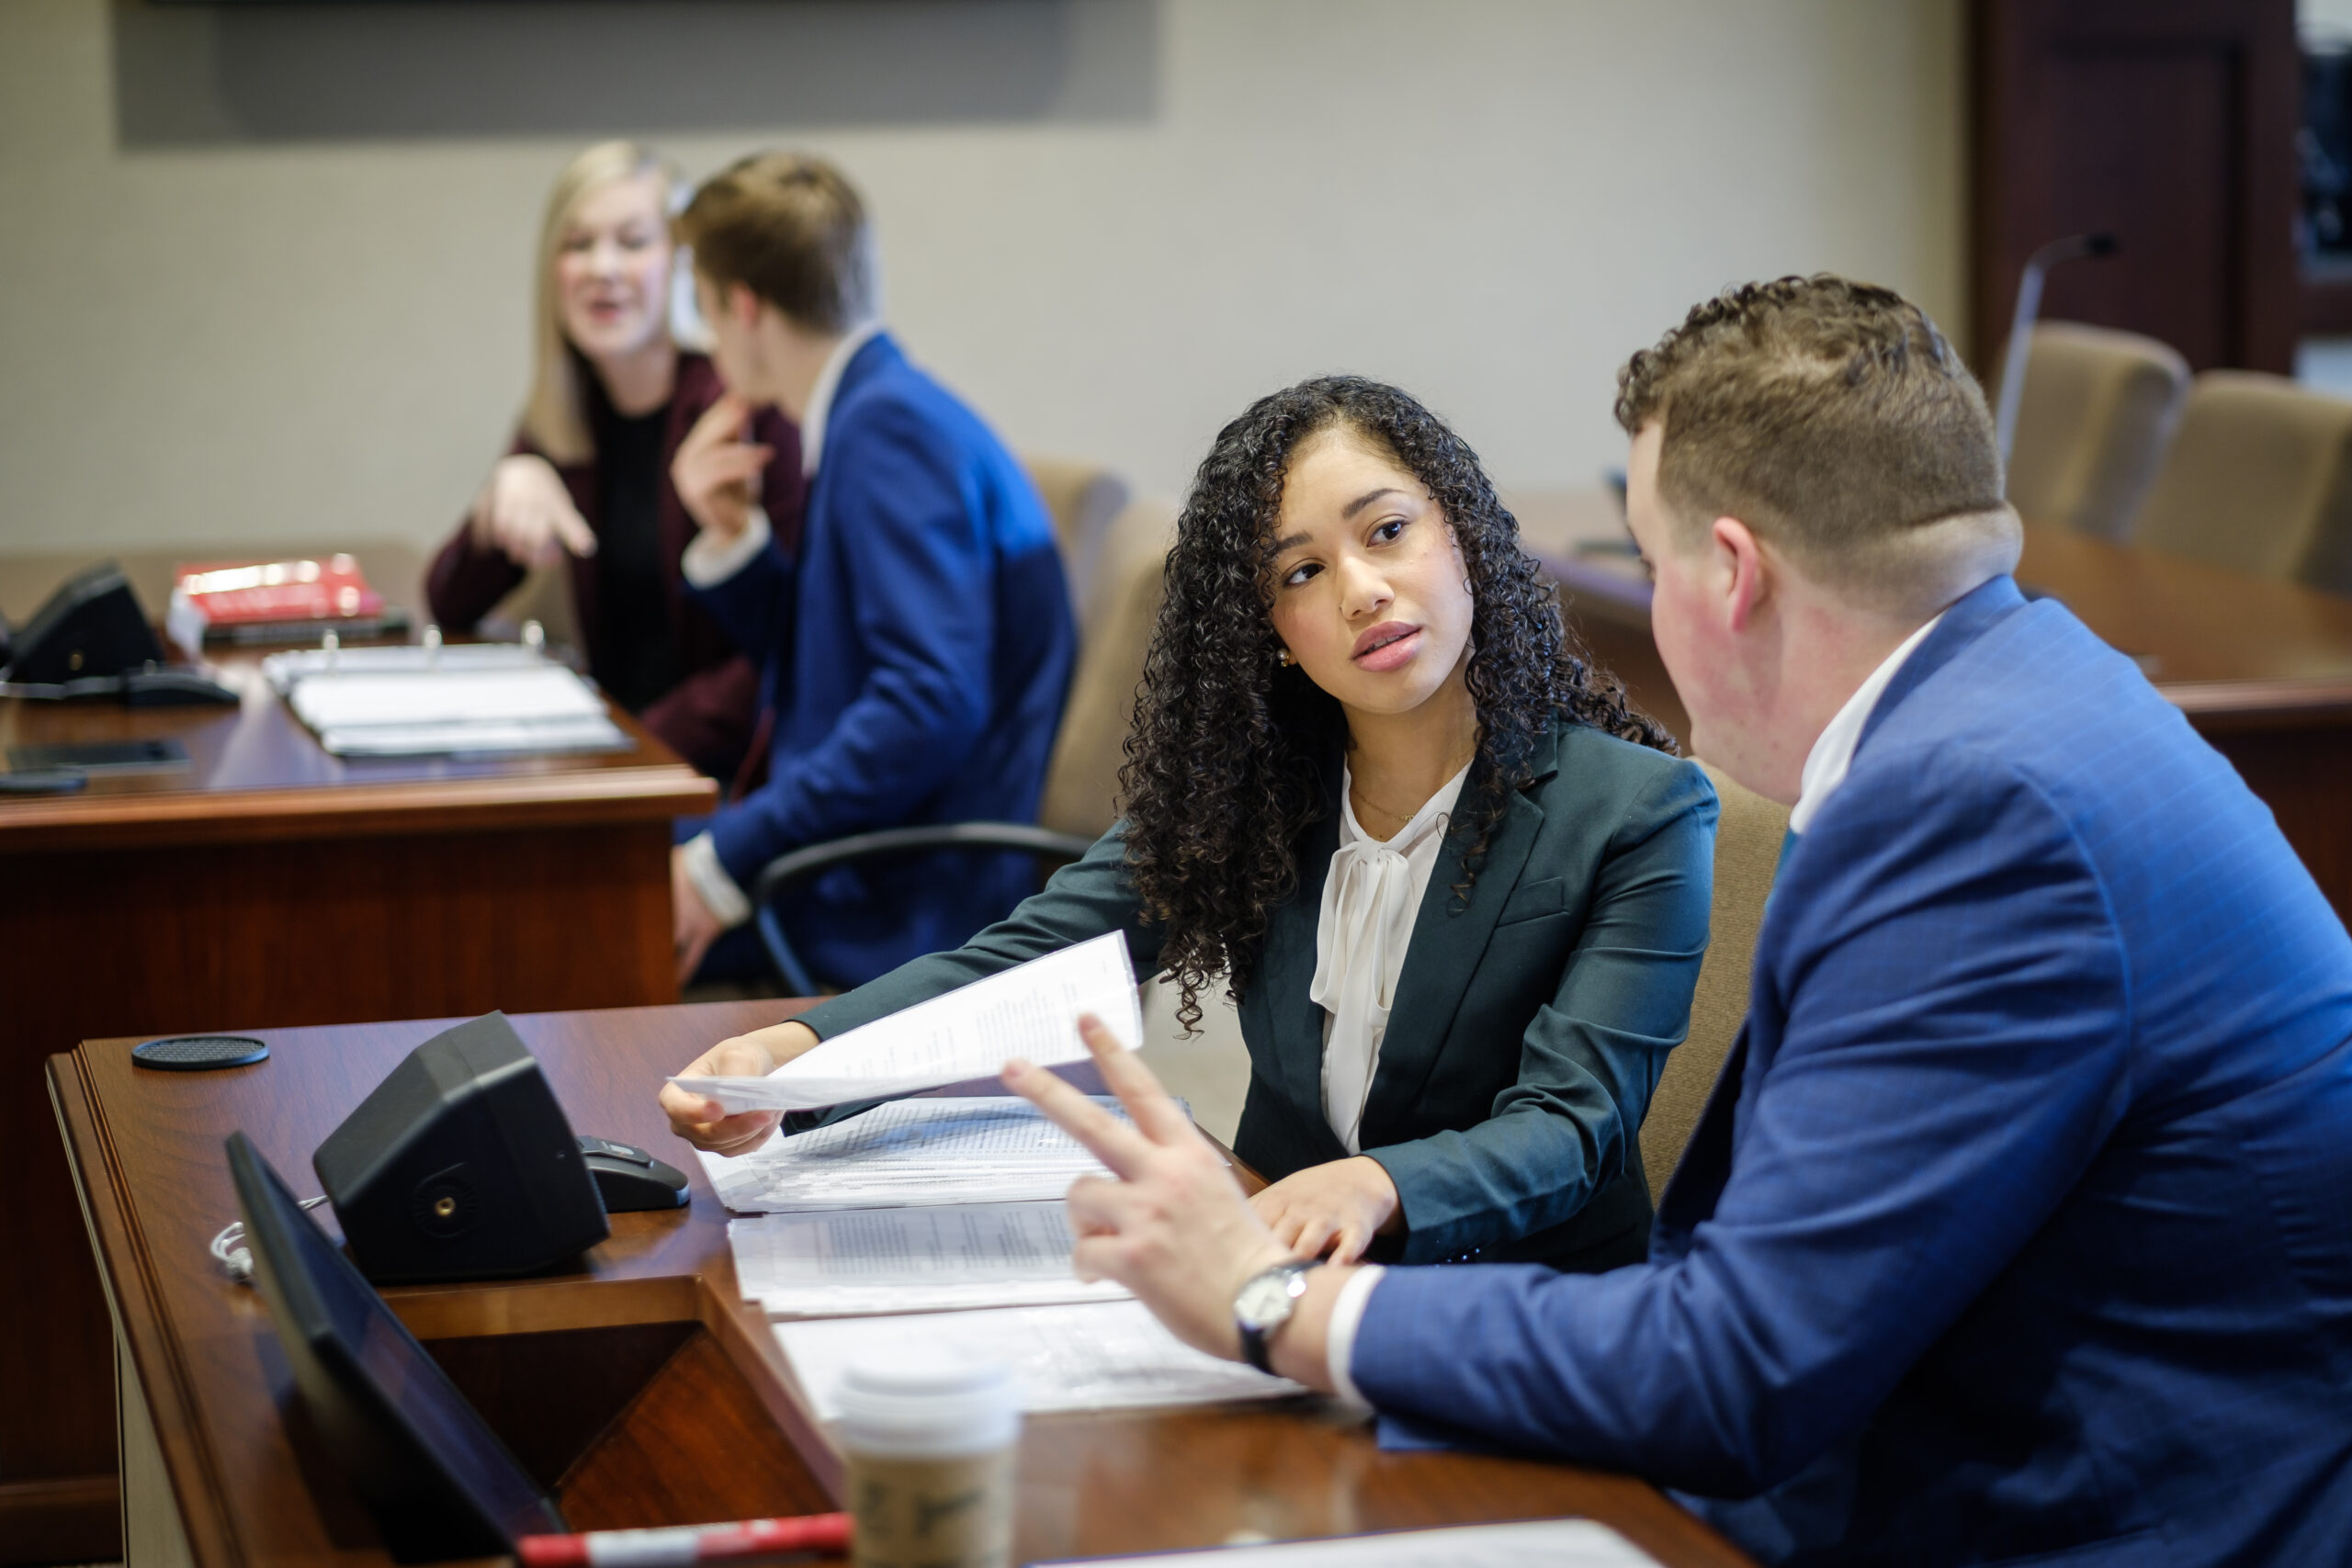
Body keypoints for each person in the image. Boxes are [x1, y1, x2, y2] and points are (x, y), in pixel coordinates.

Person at [996, 280, 2352, 1566]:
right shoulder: (2037, 693)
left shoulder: (1972, 812)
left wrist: (1271, 1298)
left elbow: (1741, 1367)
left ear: (1731, 573)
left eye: (1646, 561)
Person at [665, 376, 1720, 1273]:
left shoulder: (1635, 813)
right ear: (1271, 632)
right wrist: (795, 1053)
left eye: (1388, 531)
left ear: (1465, 536)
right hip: (1265, 1269)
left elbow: (1572, 1126)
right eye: (1300, 571)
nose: (1361, 591)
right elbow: (1025, 959)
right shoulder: (1262, 792)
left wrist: (1373, 1186)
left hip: (1519, 1312)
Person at [664, 153, 1077, 989]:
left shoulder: (885, 429)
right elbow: (835, 658)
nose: (706, 339)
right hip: (880, 846)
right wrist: (736, 542)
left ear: (742, 305)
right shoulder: (878, 406)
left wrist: (728, 858)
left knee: (573, 884)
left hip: (902, 892)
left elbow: (928, 701)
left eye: (703, 308)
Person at [425, 141, 803, 782]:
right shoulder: (567, 412)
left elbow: (784, 653)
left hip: (725, 780)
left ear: (683, 268)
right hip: (615, 760)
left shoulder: (743, 411)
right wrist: (503, 498)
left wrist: (621, 749)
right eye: (577, 244)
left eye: (633, 242)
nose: (603, 267)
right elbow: (448, 602)